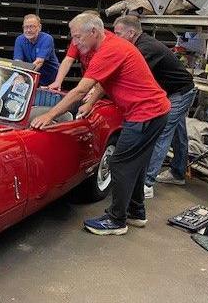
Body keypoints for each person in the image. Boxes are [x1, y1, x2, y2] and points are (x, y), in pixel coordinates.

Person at [31, 13, 170, 235]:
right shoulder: (110, 45)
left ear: (94, 32)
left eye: (77, 37)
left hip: (146, 114)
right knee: (136, 165)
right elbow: (107, 80)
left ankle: (117, 220)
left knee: (120, 164)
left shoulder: (110, 50)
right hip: (153, 112)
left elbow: (80, 89)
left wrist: (50, 115)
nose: (75, 42)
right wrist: (92, 103)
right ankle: (136, 213)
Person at [113, 15, 197, 199]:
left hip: (179, 93)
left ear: (131, 32)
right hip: (174, 91)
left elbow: (130, 76)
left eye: (118, 33)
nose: (114, 37)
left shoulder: (145, 49)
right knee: (178, 133)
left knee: (162, 133)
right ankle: (178, 173)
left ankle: (147, 183)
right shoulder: (138, 45)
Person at [47, 10, 113, 91]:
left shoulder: (109, 42)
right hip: (89, 79)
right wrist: (58, 82)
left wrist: (94, 91)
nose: (75, 41)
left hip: (104, 84)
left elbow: (107, 73)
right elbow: (68, 60)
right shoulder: (79, 39)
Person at [13, 14, 60, 86]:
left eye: (32, 27)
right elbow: (18, 62)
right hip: (31, 75)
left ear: (39, 27)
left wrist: (24, 77)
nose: (28, 30)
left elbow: (39, 63)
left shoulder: (47, 39)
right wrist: (19, 76)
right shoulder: (19, 39)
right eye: (26, 27)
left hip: (49, 78)